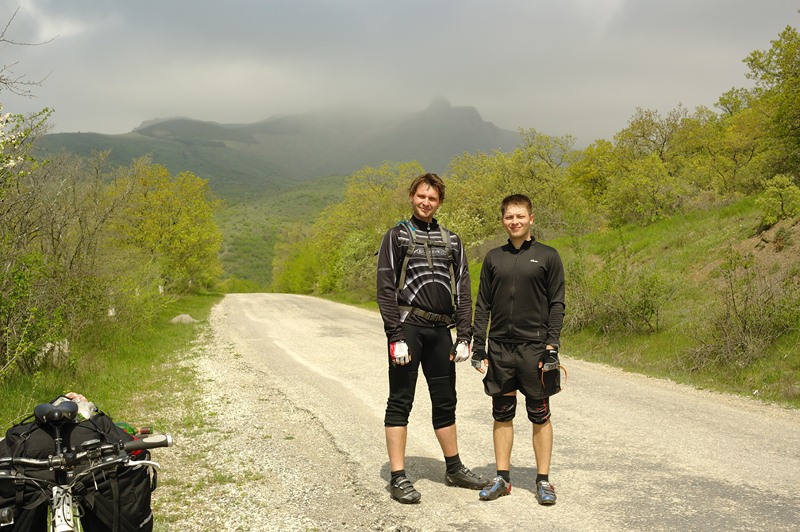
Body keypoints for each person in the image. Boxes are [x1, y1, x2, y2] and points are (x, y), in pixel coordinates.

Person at [376, 172, 488, 504]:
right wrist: (394, 335)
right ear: (412, 196)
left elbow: (463, 290)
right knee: (401, 400)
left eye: (433, 198)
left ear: (439, 202)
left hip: (441, 332)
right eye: (422, 196)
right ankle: (398, 477)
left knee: (445, 400)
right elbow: (385, 288)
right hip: (408, 328)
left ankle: (453, 468)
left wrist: (464, 335)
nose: (426, 202)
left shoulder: (452, 240)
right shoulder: (396, 236)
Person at [471, 193, 565, 506]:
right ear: (503, 220)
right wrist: (479, 347)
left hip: (534, 348)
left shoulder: (548, 256)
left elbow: (557, 303)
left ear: (531, 219)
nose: (515, 221)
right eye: (509, 217)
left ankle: (543, 480)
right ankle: (502, 478)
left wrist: (552, 346)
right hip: (499, 348)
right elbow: (482, 304)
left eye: (520, 216)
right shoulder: (493, 258)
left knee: (539, 414)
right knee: (502, 412)